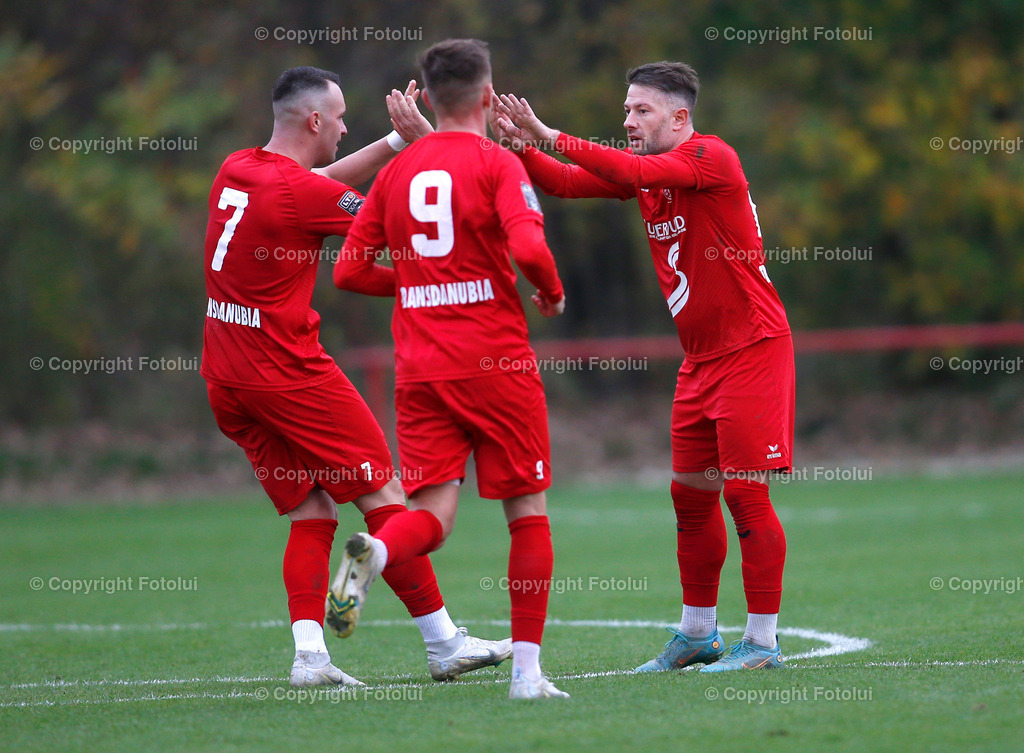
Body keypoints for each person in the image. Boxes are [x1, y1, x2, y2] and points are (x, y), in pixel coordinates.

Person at [201, 65, 511, 688]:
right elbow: (402, 218)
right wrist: (430, 147)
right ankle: (443, 642)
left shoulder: (240, 167)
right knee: (387, 501)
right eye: (340, 117)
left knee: (314, 512)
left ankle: (312, 658)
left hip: (227, 378)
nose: (345, 128)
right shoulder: (300, 192)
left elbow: (311, 186)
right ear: (315, 120)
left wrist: (393, 144)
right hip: (288, 375)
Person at [493, 61, 793, 672]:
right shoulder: (652, 177)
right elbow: (566, 183)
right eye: (626, 109)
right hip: (701, 361)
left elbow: (624, 166)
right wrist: (519, 148)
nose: (627, 121)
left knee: (745, 495)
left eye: (641, 111)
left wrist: (548, 132)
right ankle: (698, 635)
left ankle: (761, 644)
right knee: (690, 500)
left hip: (753, 347)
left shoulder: (713, 157)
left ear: (680, 117)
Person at [331, 39, 570, 699]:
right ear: (490, 98)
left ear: (428, 100)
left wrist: (413, 283)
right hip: (495, 361)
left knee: (432, 509)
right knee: (527, 510)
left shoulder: (397, 171)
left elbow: (349, 271)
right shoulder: (496, 162)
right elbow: (528, 243)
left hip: (420, 367)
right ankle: (527, 675)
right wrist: (547, 290)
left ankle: (375, 553)